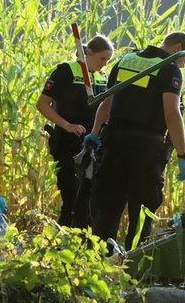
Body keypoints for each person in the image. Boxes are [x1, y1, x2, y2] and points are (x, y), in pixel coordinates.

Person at [85, 31, 185, 252]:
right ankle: (132, 266)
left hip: (113, 143)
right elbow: (172, 114)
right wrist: (183, 155)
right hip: (146, 149)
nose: (183, 65)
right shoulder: (169, 67)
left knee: (107, 207)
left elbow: (106, 103)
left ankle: (98, 262)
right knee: (142, 211)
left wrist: (95, 134)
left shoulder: (126, 60)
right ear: (177, 48)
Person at [37, 34, 114, 226]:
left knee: (89, 201)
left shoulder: (101, 76)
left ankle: (83, 243)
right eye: (102, 58)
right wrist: (67, 126)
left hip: (93, 144)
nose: (104, 64)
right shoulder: (66, 71)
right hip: (69, 143)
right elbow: (42, 104)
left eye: (108, 60)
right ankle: (64, 240)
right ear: (88, 53)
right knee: (72, 197)